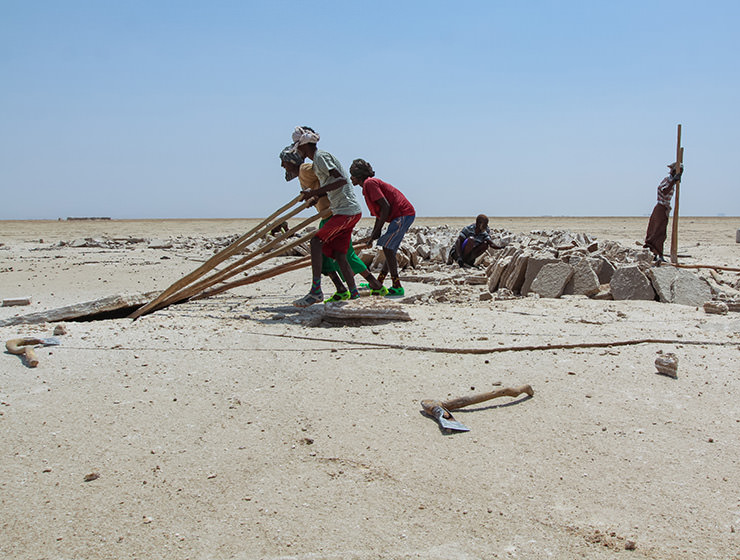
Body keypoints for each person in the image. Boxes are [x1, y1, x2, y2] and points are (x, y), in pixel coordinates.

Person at [278, 145, 383, 302]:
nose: (282, 166)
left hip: (335, 213)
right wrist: (313, 197)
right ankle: (349, 290)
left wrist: (314, 194)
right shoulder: (302, 174)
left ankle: (323, 290)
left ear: (291, 161)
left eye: (283, 162)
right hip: (333, 212)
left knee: (336, 251)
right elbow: (323, 182)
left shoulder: (306, 168)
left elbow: (330, 178)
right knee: (337, 254)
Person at [289, 126, 365, 307]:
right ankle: (353, 294)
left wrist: (315, 191)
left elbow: (340, 180)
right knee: (339, 254)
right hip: (347, 210)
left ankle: (316, 291)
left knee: (316, 242)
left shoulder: (321, 158)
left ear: (303, 147)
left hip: (345, 211)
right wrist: (314, 196)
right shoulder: (318, 160)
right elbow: (333, 185)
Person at [349, 158, 416, 297]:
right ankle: (379, 282)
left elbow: (386, 207)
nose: (351, 178)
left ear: (359, 175)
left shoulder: (370, 184)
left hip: (402, 214)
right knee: (388, 249)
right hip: (402, 215)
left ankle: (397, 285)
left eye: (353, 175)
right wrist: (374, 233)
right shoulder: (368, 186)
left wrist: (378, 230)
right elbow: (380, 213)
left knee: (387, 247)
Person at [644, 162, 683, 264]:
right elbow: (665, 191)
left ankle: (658, 254)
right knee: (656, 231)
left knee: (661, 232)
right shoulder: (668, 180)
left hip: (664, 208)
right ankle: (654, 254)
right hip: (661, 207)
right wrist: (674, 181)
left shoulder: (671, 181)